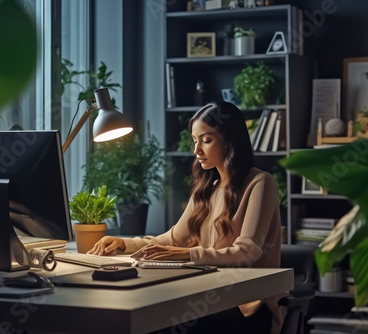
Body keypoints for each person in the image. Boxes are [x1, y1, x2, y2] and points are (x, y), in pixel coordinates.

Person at [88, 101, 284, 334]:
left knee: (159, 322)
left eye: (206, 140)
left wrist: (188, 254)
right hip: (210, 297)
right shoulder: (207, 188)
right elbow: (173, 239)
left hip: (247, 306)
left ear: (229, 140)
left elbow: (247, 252)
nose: (196, 150)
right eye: (194, 140)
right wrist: (124, 244)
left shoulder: (260, 183)